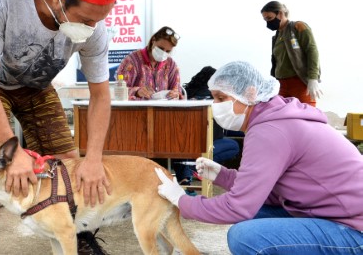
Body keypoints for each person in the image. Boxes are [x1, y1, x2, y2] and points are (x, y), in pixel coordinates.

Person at [0, 0, 121, 254]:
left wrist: (95, 158)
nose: (93, 28)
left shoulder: (95, 30)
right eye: (86, 20)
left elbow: (100, 95)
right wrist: (15, 150)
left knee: (71, 166)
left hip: (36, 87)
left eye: (99, 20)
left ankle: (78, 237)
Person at [155, 61, 363, 254]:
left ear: (250, 93)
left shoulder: (269, 131)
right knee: (255, 214)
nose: (214, 105)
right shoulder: (276, 118)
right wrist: (222, 175)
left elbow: (238, 207)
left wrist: (182, 201)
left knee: (245, 237)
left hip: (353, 228)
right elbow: (267, 191)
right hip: (328, 212)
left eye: (221, 98)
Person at [173, 66, 240, 187]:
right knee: (233, 146)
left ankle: (192, 167)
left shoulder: (187, 92)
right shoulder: (215, 97)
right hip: (207, 141)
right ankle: (197, 166)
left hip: (185, 141)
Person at [261, 1, 322, 107]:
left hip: (299, 82)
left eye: (269, 18)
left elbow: (312, 51)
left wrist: (313, 78)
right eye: (265, 20)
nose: (268, 22)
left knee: (306, 115)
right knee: (282, 116)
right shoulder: (276, 37)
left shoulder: (298, 27)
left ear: (280, 14)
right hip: (281, 85)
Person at [115, 26, 183, 100]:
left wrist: (175, 94)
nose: (163, 53)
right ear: (153, 40)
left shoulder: (171, 65)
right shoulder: (132, 61)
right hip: (136, 110)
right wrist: (137, 91)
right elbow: (119, 90)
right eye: (160, 48)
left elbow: (177, 90)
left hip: (162, 110)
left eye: (168, 51)